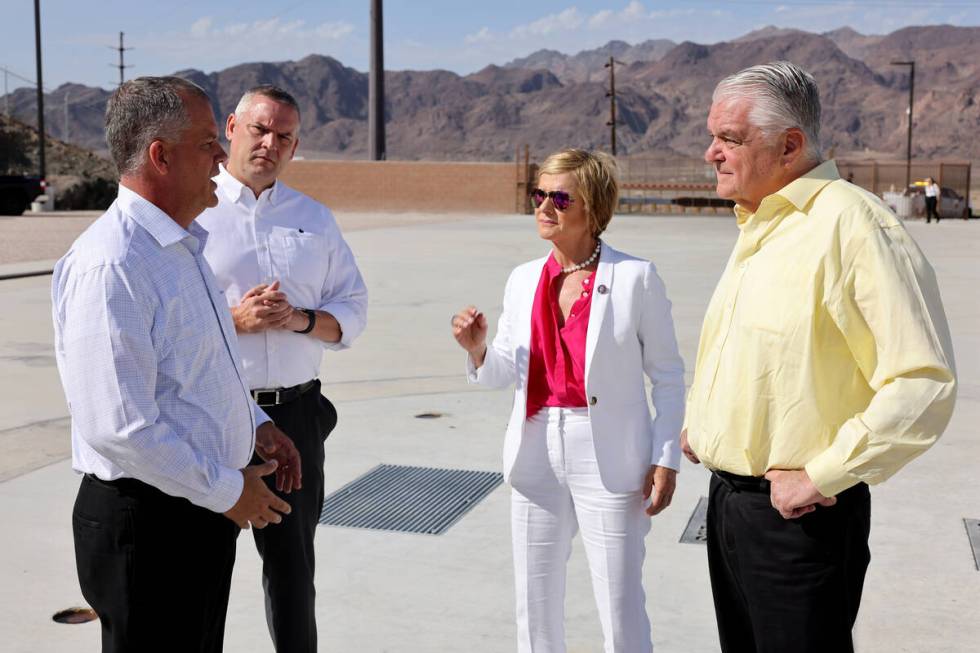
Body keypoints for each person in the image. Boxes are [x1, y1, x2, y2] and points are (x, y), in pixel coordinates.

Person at [684, 61, 957, 653]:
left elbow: (924, 382)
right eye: (712, 137)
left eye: (729, 139)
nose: (712, 153)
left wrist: (823, 474)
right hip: (732, 508)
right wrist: (707, 423)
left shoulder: (854, 227)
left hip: (798, 524)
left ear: (790, 145)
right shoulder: (763, 225)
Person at [52, 76, 303, 652]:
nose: (221, 156)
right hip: (150, 524)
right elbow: (119, 425)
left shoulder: (180, 247)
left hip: (194, 507)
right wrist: (227, 492)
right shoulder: (112, 264)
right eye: (207, 142)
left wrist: (258, 427)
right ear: (160, 157)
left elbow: (205, 366)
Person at [452, 148, 685, 653]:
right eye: (539, 194)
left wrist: (664, 457)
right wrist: (476, 350)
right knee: (533, 609)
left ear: (594, 207)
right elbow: (506, 372)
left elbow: (667, 374)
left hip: (610, 456)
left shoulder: (635, 278)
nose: (544, 206)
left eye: (560, 197)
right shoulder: (523, 279)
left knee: (621, 610)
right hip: (535, 449)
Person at [197, 84, 368, 653]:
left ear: (296, 147)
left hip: (295, 418)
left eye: (285, 136)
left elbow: (353, 311)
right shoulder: (193, 215)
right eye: (261, 129)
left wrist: (298, 319)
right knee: (201, 574)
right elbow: (169, 323)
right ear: (230, 128)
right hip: (213, 417)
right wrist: (235, 320)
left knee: (294, 574)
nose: (271, 144)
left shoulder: (313, 220)